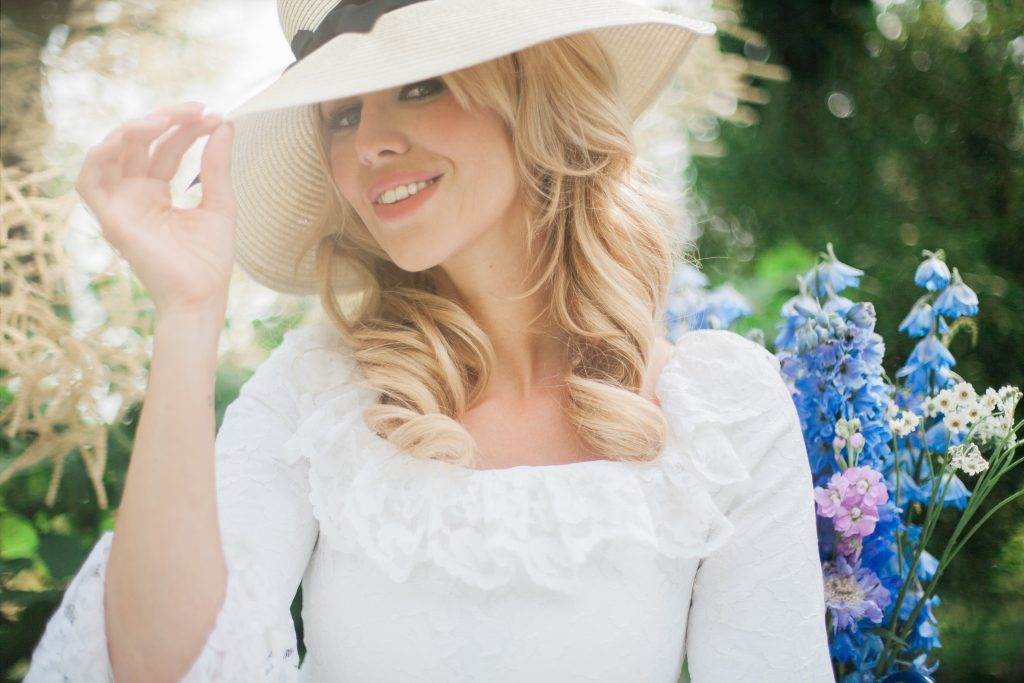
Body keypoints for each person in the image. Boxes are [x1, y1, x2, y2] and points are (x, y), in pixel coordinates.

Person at [24, 0, 835, 681]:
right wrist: (188, 309)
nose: (367, 143)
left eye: (419, 86)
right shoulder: (318, 393)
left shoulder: (723, 412)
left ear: (534, 93)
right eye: (342, 113)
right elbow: (160, 665)